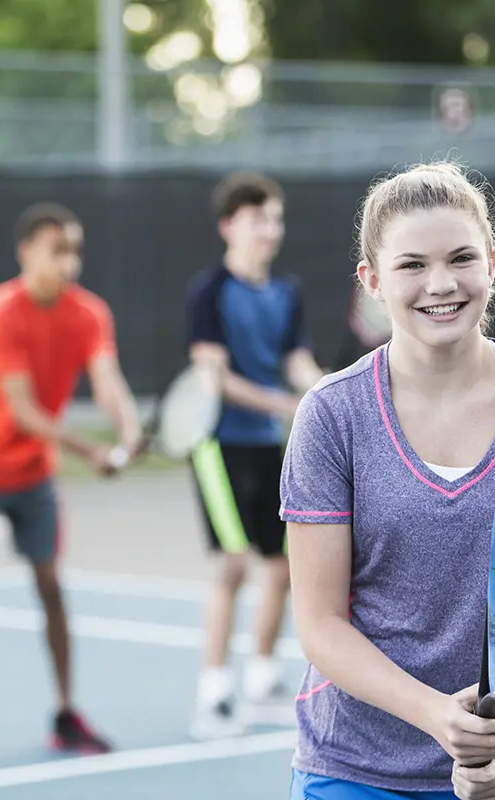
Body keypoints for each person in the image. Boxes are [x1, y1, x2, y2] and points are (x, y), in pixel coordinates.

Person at [280, 160, 495, 799]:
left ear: (492, 262)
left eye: (461, 258)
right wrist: (440, 719)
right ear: (371, 280)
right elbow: (321, 624)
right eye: (411, 265)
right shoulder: (331, 415)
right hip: (354, 770)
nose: (440, 283)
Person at [0, 202, 143, 774]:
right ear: (27, 252)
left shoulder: (88, 314)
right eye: (57, 250)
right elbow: (24, 409)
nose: (69, 262)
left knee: (51, 587)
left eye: (75, 251)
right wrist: (90, 450)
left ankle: (65, 713)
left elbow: (107, 381)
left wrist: (130, 430)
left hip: (33, 474)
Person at [185, 172, 325, 740]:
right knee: (233, 564)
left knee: (283, 566)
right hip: (219, 444)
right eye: (256, 219)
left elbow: (298, 365)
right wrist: (281, 402)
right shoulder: (210, 291)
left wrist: (324, 393)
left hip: (274, 446)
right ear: (228, 226)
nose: (268, 229)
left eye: (274, 218)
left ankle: (262, 678)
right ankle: (214, 693)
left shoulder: (287, 292)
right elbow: (212, 377)